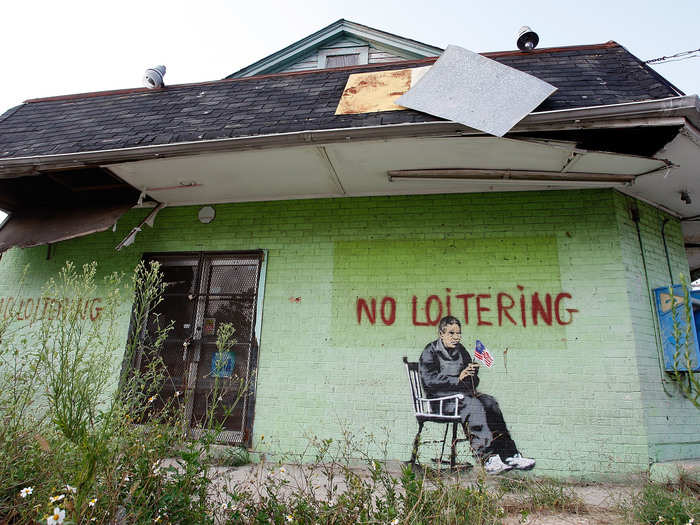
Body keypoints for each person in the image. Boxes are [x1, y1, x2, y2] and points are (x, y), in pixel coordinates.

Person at [419, 315, 535, 474]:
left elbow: (472, 383)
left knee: (489, 402)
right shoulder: (430, 350)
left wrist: (472, 374)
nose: (456, 337)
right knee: (473, 405)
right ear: (441, 334)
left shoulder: (461, 351)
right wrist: (457, 378)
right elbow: (428, 380)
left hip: (460, 398)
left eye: (458, 333)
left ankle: (510, 455)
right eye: (451, 333)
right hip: (440, 401)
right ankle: (488, 458)